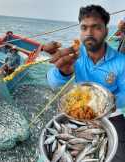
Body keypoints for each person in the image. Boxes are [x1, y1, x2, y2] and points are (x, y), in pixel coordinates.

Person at [45, 5, 125, 162]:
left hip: (110, 115)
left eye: (96, 27)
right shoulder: (75, 55)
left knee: (120, 155)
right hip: (77, 113)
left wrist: (111, 103)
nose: (89, 33)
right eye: (84, 28)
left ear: (106, 31)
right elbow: (52, 82)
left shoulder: (121, 61)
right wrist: (63, 72)